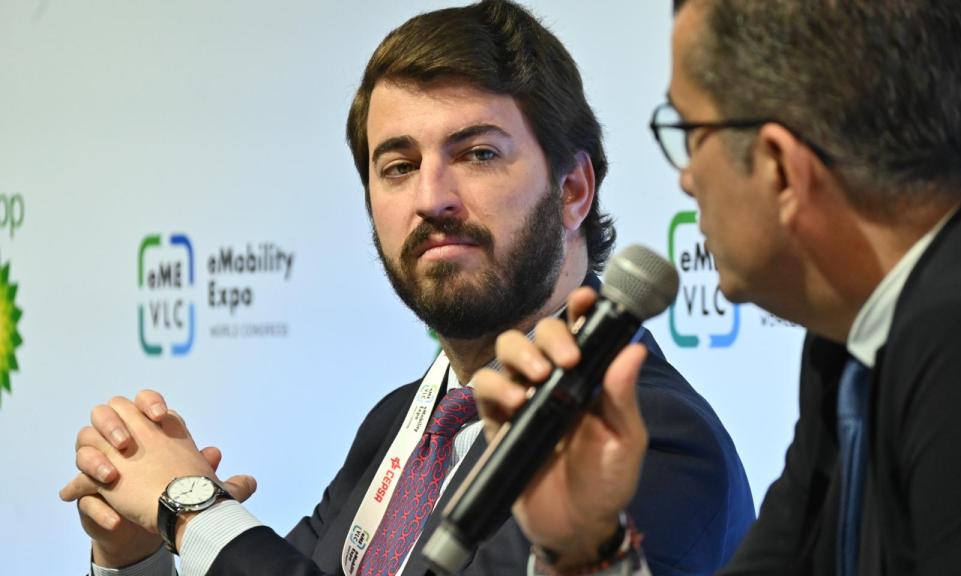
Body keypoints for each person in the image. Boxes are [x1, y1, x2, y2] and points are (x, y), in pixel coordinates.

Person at [60, 2, 755, 575]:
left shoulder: (648, 436)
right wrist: (139, 550)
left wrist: (193, 509)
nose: (432, 198)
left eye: (477, 154)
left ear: (573, 190)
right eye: (397, 165)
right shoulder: (400, 423)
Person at [475, 0, 961, 574]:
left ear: (779, 166)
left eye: (690, 134)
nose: (685, 179)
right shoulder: (850, 343)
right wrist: (587, 548)